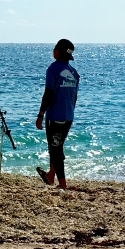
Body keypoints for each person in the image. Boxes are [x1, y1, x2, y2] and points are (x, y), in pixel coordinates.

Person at [35, 39, 79, 189]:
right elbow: (74, 97)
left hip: (55, 117)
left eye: (54, 48)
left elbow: (48, 93)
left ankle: (63, 185)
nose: (53, 50)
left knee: (56, 149)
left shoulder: (53, 69)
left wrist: (40, 115)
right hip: (68, 117)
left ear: (58, 51)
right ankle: (50, 176)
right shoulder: (74, 73)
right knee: (57, 147)